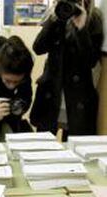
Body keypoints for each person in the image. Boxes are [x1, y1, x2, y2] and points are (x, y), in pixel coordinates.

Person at [30, 0, 103, 141]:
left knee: (75, 150)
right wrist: (53, 19)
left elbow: (91, 61)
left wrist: (81, 29)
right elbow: (38, 48)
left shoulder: (93, 18)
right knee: (43, 147)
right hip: (51, 94)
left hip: (77, 99)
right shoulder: (56, 14)